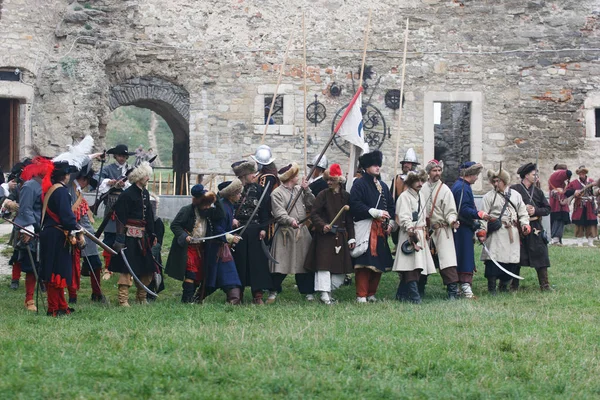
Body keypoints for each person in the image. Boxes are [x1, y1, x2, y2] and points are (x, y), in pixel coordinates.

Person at [303, 164, 355, 304]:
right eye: (328, 180)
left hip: (341, 236)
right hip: (325, 236)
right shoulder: (322, 195)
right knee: (323, 266)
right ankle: (324, 294)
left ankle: (329, 290)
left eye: (331, 180)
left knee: (340, 269)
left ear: (338, 180)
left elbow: (349, 219)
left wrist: (351, 237)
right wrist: (322, 225)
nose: (329, 182)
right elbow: (314, 214)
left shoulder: (346, 196)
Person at [108, 161, 157, 306]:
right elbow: (120, 218)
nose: (148, 178)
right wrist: (120, 238)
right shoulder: (127, 195)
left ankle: (141, 297)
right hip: (128, 237)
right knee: (127, 268)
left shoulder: (145, 194)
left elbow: (149, 216)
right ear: (140, 177)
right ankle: (123, 300)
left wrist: (152, 234)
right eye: (147, 176)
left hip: (142, 237)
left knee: (148, 267)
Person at [350, 150, 395, 303]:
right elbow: (354, 204)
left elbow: (390, 205)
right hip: (366, 228)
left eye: (378, 165)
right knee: (364, 264)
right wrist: (373, 212)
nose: (377, 168)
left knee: (379, 263)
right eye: (374, 165)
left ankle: (371, 293)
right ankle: (361, 295)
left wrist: (391, 223)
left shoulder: (382, 185)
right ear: (367, 167)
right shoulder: (359, 184)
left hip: (381, 229)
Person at [165, 184, 222, 303]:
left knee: (198, 274)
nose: (207, 207)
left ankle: (192, 298)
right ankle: (186, 300)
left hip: (200, 247)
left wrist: (216, 200)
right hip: (188, 248)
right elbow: (175, 225)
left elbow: (221, 215)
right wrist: (184, 236)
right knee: (191, 273)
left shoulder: (207, 212)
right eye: (205, 203)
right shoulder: (186, 210)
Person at [267, 163, 315, 303]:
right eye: (295, 175)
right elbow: (279, 213)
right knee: (280, 265)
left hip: (302, 231)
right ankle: (273, 291)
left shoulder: (300, 189)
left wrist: (306, 190)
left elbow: (312, 204)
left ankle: (308, 292)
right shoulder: (277, 193)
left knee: (304, 264)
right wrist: (290, 221)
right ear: (290, 177)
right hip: (285, 232)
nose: (298, 177)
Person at [39, 161, 80, 317]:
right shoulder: (61, 191)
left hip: (51, 234)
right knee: (56, 272)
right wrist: (77, 228)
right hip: (57, 235)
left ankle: (61, 305)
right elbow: (67, 217)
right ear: (65, 176)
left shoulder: (50, 190)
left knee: (54, 272)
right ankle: (54, 308)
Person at [480, 168, 530, 294]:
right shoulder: (488, 197)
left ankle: (504, 286)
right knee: (493, 260)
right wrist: (482, 231)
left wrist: (525, 225)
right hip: (497, 233)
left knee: (510, 260)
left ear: (505, 181)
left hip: (512, 232)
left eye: (498, 181)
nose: (496, 184)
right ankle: (492, 288)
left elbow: (523, 213)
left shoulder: (516, 196)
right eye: (494, 181)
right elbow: (483, 216)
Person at [230, 160, 273, 304]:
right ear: (244, 175)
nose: (254, 176)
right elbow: (226, 207)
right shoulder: (233, 189)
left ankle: (258, 295)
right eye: (251, 173)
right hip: (238, 231)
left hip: (255, 231)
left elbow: (265, 211)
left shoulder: (259, 189)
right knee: (239, 263)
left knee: (257, 264)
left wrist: (263, 228)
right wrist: (231, 220)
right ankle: (237, 294)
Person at [393, 170, 437, 304]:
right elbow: (404, 217)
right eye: (416, 181)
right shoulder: (404, 197)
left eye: (422, 181)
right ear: (410, 182)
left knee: (417, 267)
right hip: (409, 234)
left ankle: (401, 295)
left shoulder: (421, 196)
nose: (420, 183)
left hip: (421, 234)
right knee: (410, 267)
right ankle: (414, 297)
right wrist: (411, 231)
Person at [419, 160, 461, 299]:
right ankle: (420, 290)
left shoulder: (445, 190)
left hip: (442, 231)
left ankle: (452, 292)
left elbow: (451, 211)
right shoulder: (422, 188)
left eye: (439, 170)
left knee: (447, 261)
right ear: (428, 172)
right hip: (426, 231)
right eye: (434, 171)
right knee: (423, 261)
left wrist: (452, 221)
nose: (437, 173)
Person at [13, 157, 48, 311]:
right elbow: (25, 209)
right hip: (32, 229)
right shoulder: (29, 186)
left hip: (45, 229)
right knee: (31, 266)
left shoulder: (47, 185)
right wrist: (31, 227)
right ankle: (29, 299)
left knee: (43, 265)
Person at [202, 180, 244, 304]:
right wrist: (230, 238)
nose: (240, 196)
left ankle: (197, 297)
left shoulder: (228, 206)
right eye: (238, 194)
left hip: (221, 247)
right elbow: (217, 229)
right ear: (231, 195)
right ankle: (233, 300)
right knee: (225, 276)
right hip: (217, 248)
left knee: (216, 277)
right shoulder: (223, 208)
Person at [511, 163, 552, 291]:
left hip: (535, 226)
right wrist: (522, 209)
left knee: (541, 254)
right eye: (534, 174)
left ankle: (544, 285)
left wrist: (535, 210)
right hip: (519, 226)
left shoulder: (538, 192)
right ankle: (513, 285)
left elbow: (547, 209)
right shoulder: (514, 190)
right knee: (516, 256)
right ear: (527, 175)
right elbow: (509, 206)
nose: (536, 177)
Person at [451, 161, 487, 299]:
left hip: (465, 228)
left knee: (462, 257)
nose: (477, 178)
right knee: (464, 257)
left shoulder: (463, 186)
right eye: (476, 174)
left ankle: (461, 287)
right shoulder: (461, 188)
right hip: (462, 229)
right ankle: (465, 288)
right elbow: (464, 210)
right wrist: (479, 214)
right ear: (470, 174)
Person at [70, 165, 105, 303]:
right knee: (73, 266)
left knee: (95, 264)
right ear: (83, 179)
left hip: (86, 232)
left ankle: (96, 293)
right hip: (77, 232)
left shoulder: (76, 190)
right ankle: (73, 296)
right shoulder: (71, 189)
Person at [97, 144, 132, 274]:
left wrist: (125, 185)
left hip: (127, 206)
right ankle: (108, 268)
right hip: (111, 205)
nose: (122, 158)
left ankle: (124, 267)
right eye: (119, 155)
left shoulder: (130, 170)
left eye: (124, 156)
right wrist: (108, 182)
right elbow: (97, 180)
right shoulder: (108, 168)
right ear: (115, 156)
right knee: (109, 237)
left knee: (125, 236)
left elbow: (134, 186)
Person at [389, 148, 419, 245]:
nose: (406, 165)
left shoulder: (418, 180)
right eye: (405, 163)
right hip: (399, 211)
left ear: (413, 165)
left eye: (409, 163)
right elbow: (392, 197)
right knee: (398, 240)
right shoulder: (397, 178)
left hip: (412, 213)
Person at [565, 166, 597, 247]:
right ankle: (580, 242)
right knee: (579, 223)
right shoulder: (574, 182)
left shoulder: (591, 181)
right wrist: (574, 191)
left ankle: (590, 242)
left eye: (583, 172)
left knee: (591, 223)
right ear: (578, 174)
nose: (582, 174)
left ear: (585, 173)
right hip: (579, 205)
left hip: (590, 205)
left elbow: (596, 192)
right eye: (580, 173)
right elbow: (567, 192)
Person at [147, 193, 165, 301]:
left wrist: (152, 253)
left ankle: (151, 293)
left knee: (153, 272)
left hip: (152, 251)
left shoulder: (157, 222)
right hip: (142, 248)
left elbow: (159, 242)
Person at [547, 165, 572, 245]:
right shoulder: (557, 174)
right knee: (558, 219)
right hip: (557, 202)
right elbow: (568, 173)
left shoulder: (555, 177)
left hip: (558, 201)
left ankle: (558, 239)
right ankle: (555, 239)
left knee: (558, 220)